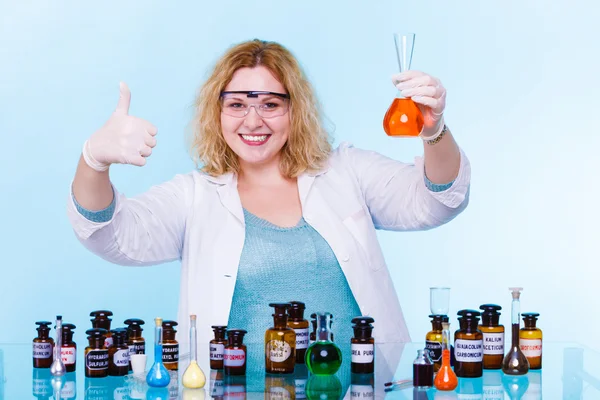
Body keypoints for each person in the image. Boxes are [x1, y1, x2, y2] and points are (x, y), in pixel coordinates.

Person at [67, 39, 470, 357]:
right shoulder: (193, 196)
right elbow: (112, 234)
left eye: (271, 104)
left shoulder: (346, 171)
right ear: (217, 113)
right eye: (238, 104)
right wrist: (94, 161)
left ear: (296, 112)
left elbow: (436, 201)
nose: (254, 120)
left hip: (356, 389)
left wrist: (434, 131)